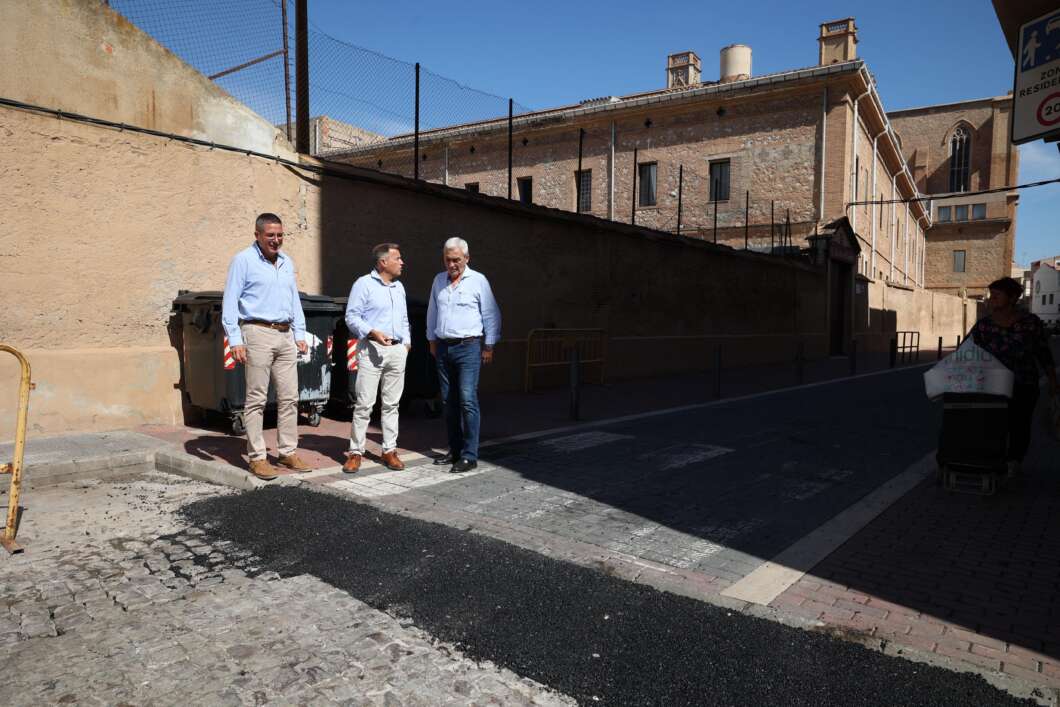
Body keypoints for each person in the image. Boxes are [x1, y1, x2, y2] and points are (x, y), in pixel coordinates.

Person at [221, 213, 311, 481]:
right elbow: (230, 301)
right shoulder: (243, 260)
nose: (276, 240)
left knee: (290, 398)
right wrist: (235, 339)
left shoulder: (286, 262)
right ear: (257, 235)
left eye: (280, 235)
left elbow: (294, 299)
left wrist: (300, 332)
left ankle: (287, 452)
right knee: (256, 399)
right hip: (256, 331)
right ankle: (257, 457)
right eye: (270, 235)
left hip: (285, 334)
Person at [426, 237, 501, 473]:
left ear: (467, 258)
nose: (452, 264)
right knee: (448, 402)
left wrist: (489, 346)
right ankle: (455, 450)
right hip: (443, 347)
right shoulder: (439, 280)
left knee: (467, 400)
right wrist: (431, 340)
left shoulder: (478, 281)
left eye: (456, 259)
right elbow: (432, 311)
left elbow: (491, 314)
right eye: (447, 260)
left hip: (468, 347)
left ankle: (470, 455)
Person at [969, 276, 1057, 475]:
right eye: (991, 295)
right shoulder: (983, 326)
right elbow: (966, 350)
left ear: (1012, 298)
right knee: (993, 424)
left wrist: (1053, 380)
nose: (991, 299)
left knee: (1020, 424)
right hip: (993, 386)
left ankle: (1014, 461)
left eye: (996, 296)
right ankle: (995, 460)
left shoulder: (1030, 323)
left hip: (1024, 383)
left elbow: (1043, 352)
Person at [342, 243, 411, 474]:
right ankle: (355, 452)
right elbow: (352, 317)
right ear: (383, 262)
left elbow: (404, 318)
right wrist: (372, 332)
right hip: (371, 349)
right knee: (364, 404)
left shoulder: (399, 287)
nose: (402, 262)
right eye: (397, 258)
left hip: (397, 351)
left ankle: (389, 450)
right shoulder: (363, 284)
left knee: (392, 404)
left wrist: (406, 344)